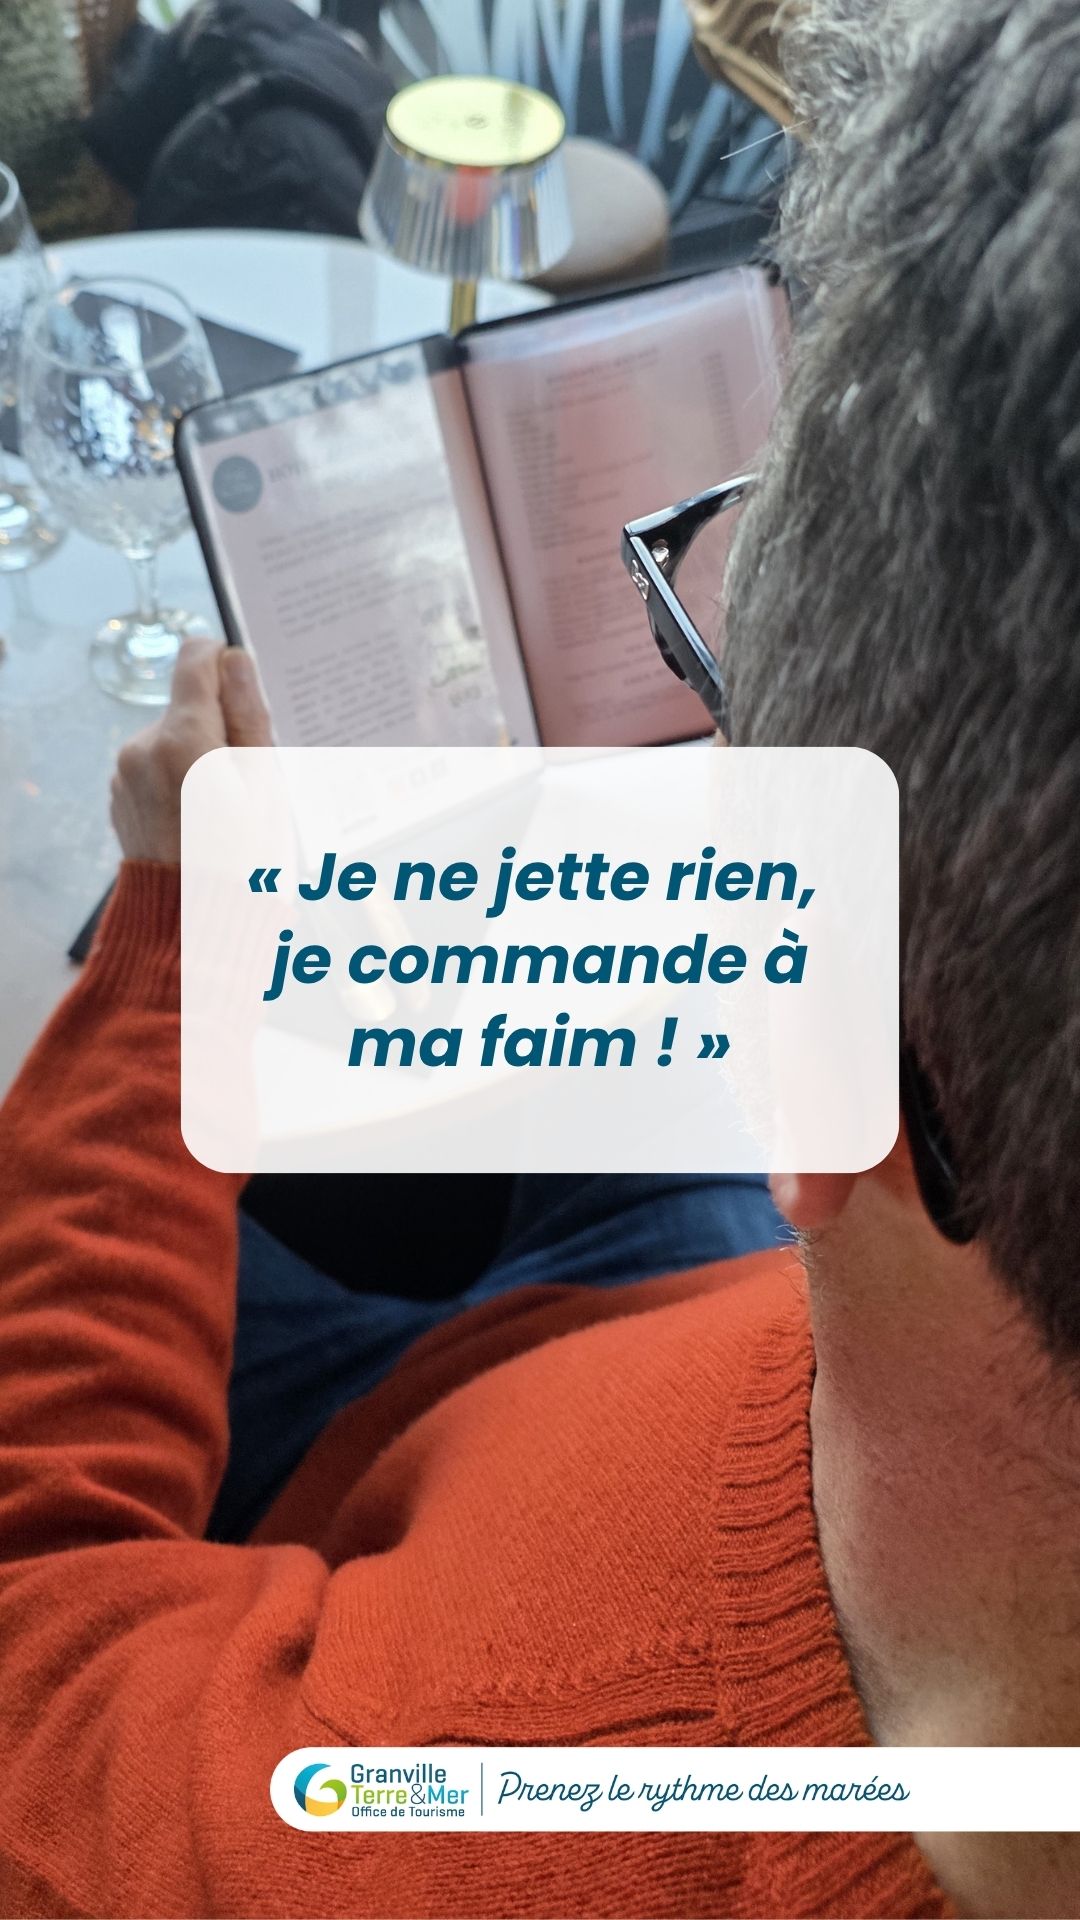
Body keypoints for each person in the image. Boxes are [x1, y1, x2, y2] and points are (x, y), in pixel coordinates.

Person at [1, 1, 1078, 1916]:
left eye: (702, 655)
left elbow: (34, 1659)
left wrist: (177, 924)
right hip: (713, 1327)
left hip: (357, 1489)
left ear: (809, 1043)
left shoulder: (427, 1815)